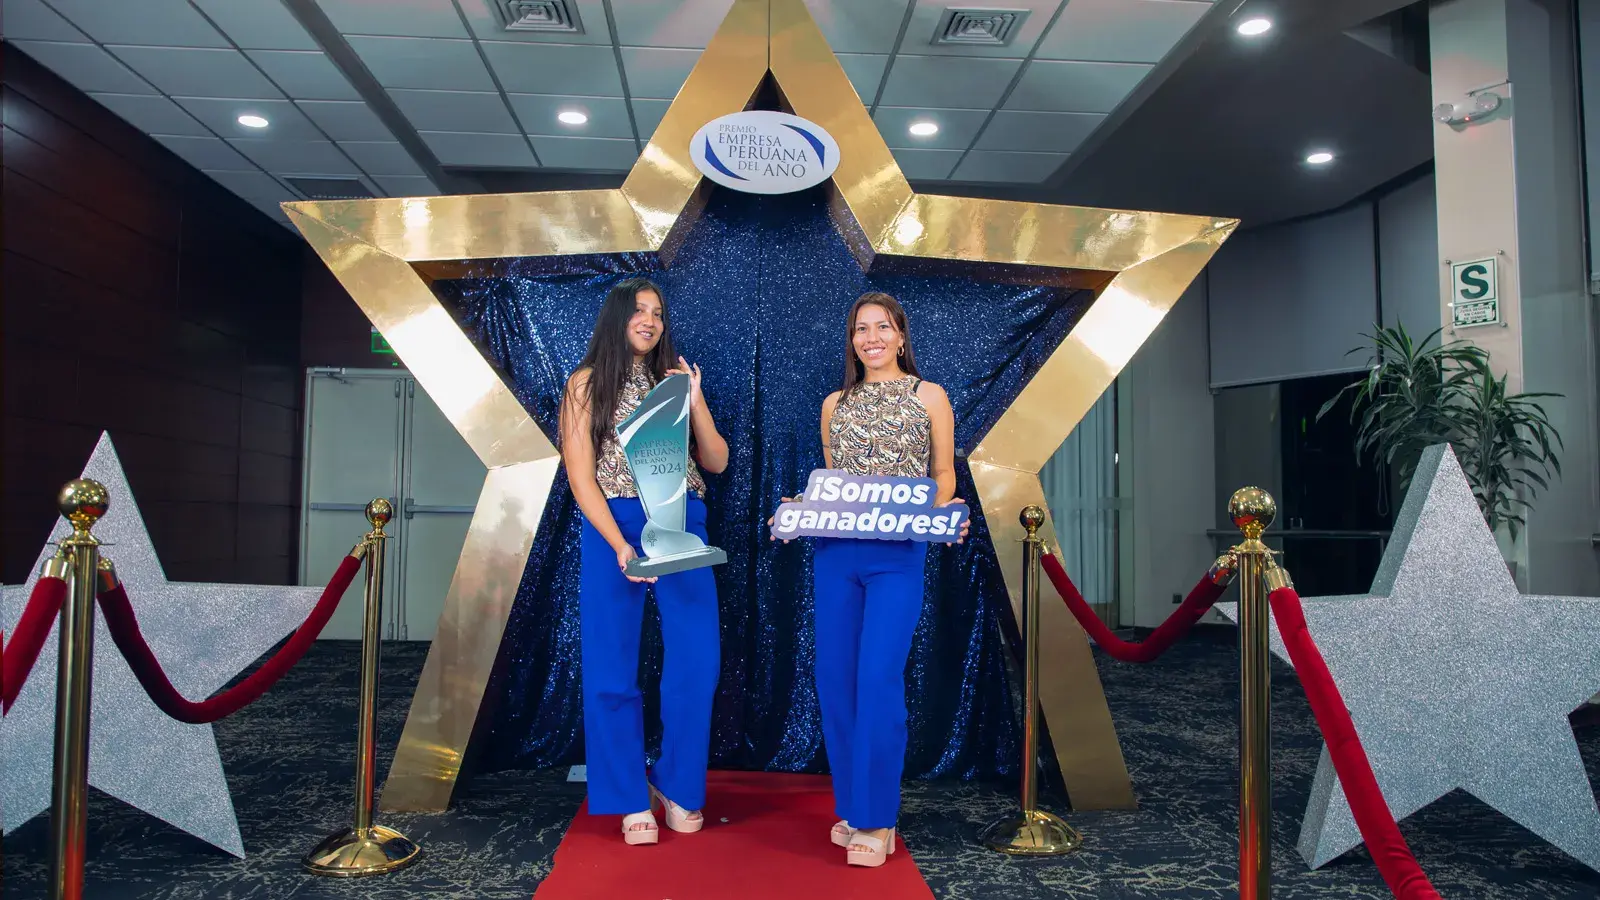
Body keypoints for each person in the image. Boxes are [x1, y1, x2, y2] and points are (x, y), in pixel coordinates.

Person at [782, 292, 967, 867]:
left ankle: (878, 818)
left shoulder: (929, 395)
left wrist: (938, 515)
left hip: (898, 554)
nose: (872, 337)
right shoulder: (834, 402)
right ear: (853, 340)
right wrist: (800, 509)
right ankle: (854, 804)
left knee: (878, 678)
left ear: (902, 336)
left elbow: (942, 475)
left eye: (882, 327)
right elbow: (835, 484)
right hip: (837, 553)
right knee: (835, 678)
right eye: (861, 329)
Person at [560, 277, 728, 846]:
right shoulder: (586, 383)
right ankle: (629, 794)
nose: (650, 320)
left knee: (696, 661)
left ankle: (678, 785)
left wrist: (697, 398)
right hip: (616, 527)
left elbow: (717, 460)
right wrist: (618, 544)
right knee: (612, 663)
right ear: (616, 317)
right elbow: (581, 476)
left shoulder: (672, 381)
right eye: (639, 310)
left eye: (657, 312)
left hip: (682, 525)